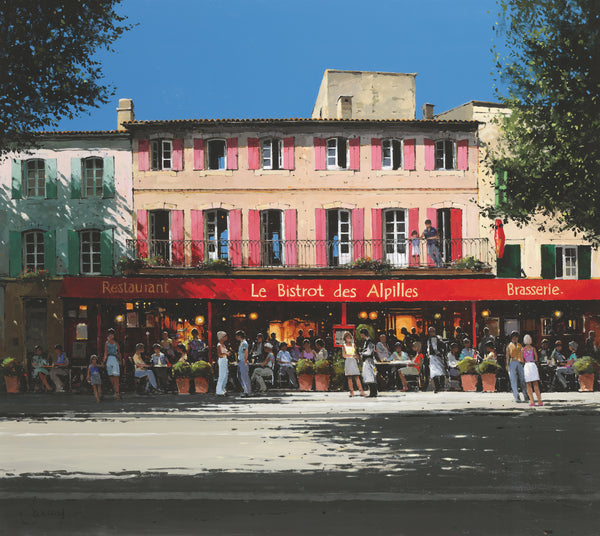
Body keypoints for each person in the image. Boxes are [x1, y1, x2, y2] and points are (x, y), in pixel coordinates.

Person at [342, 332, 366, 397]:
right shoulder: (344, 346)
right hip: (348, 361)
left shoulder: (353, 345)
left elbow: (356, 353)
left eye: (349, 337)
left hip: (353, 361)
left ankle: (361, 391)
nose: (348, 339)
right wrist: (351, 356)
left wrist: (357, 358)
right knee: (349, 377)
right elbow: (344, 355)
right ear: (345, 338)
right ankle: (351, 392)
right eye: (347, 338)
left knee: (357, 376)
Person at [506, 331, 527, 403]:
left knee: (523, 379)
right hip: (512, 362)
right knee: (513, 380)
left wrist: (524, 362)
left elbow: (523, 355)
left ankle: (525, 395)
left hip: (520, 362)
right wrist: (507, 365)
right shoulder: (509, 346)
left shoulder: (520, 345)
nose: (515, 338)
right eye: (513, 337)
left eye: (516, 337)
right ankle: (516, 396)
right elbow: (507, 356)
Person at [523, 334, 543, 406]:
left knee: (528, 384)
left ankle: (532, 402)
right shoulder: (533, 348)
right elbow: (536, 358)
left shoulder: (523, 349)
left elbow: (521, 359)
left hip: (527, 365)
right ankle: (540, 401)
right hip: (533, 365)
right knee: (535, 384)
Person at [426, 327, 447, 393]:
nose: (432, 332)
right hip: (432, 357)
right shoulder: (429, 340)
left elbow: (440, 346)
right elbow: (429, 348)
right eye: (430, 331)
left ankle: (442, 386)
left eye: (433, 331)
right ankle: (437, 387)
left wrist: (440, 353)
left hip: (438, 357)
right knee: (434, 373)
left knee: (441, 371)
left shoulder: (438, 338)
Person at [103, 328, 121, 400]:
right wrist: (104, 361)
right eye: (110, 335)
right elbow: (105, 352)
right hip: (109, 359)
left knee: (116, 376)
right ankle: (115, 389)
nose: (111, 336)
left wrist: (120, 360)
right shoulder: (106, 343)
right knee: (111, 376)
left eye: (112, 335)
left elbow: (119, 352)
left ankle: (117, 392)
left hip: (115, 359)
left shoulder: (116, 343)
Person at [359, 328, 378, 397]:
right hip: (367, 360)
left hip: (369, 360)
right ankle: (372, 392)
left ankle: (373, 392)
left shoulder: (370, 342)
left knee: (370, 376)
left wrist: (362, 352)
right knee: (367, 376)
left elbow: (369, 352)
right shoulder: (366, 342)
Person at [236, 330, 252, 396]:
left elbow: (246, 352)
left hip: (243, 361)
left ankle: (247, 391)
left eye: (237, 336)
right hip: (240, 361)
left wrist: (245, 361)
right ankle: (245, 389)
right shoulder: (241, 343)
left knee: (244, 377)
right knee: (240, 376)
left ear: (239, 336)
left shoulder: (244, 343)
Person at [215, 331, 231, 396]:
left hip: (225, 360)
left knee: (226, 375)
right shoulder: (219, 345)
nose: (226, 337)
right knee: (222, 375)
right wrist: (226, 353)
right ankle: (219, 391)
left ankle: (223, 389)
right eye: (225, 336)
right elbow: (220, 354)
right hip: (222, 360)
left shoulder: (223, 345)